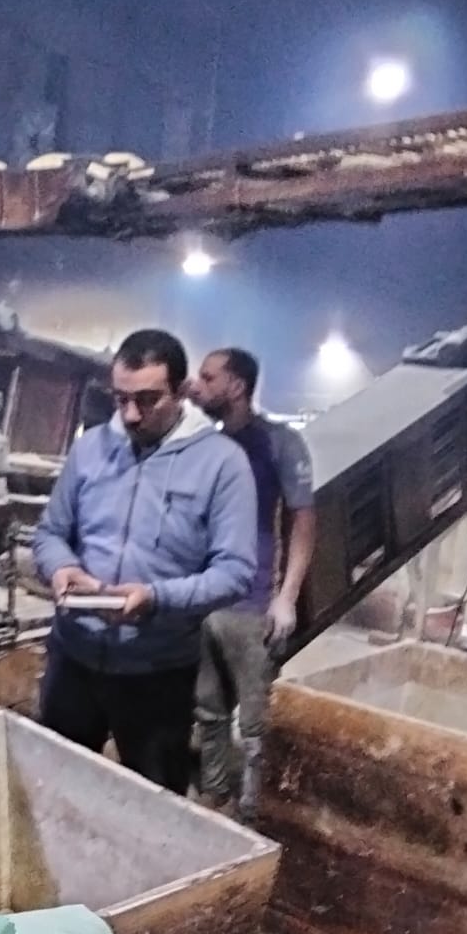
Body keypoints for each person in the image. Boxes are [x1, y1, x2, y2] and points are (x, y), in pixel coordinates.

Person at [32, 329, 258, 794]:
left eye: (148, 400)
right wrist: (60, 568)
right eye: (121, 399)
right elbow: (51, 533)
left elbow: (235, 571)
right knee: (53, 789)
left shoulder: (222, 464)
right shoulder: (90, 449)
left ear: (181, 391)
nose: (132, 414)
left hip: (157, 674)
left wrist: (156, 598)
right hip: (73, 661)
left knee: (153, 803)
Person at [187, 347, 316, 822]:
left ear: (237, 386)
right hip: (206, 601)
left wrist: (286, 598)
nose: (197, 385)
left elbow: (303, 521)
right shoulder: (209, 445)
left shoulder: (278, 443)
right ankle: (216, 798)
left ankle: (255, 815)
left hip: (252, 606)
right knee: (208, 712)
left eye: (208, 378)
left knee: (256, 723)